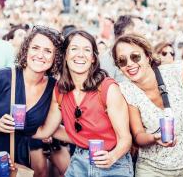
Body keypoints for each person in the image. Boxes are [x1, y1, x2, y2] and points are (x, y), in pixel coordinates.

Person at [33, 29, 133, 177]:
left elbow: (125, 139)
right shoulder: (60, 91)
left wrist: (112, 157)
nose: (80, 54)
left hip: (114, 164)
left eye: (87, 50)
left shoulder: (108, 88)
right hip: (79, 163)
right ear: (65, 55)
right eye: (74, 49)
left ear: (93, 58)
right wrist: (13, 126)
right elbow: (47, 131)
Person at [0, 25, 64, 177]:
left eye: (48, 51)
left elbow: (45, 130)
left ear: (56, 57)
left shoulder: (53, 87)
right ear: (26, 50)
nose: (40, 55)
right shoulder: (2, 77)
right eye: (35, 48)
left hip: (19, 165)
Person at [111, 33, 183, 177]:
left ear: (148, 56)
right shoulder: (127, 90)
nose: (129, 63)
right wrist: (154, 138)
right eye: (122, 61)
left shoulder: (174, 72)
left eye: (135, 56)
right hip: (152, 169)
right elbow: (138, 135)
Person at [100, 15, 146, 83]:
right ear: (125, 32)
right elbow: (105, 88)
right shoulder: (108, 58)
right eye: (140, 28)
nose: (144, 33)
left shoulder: (140, 54)